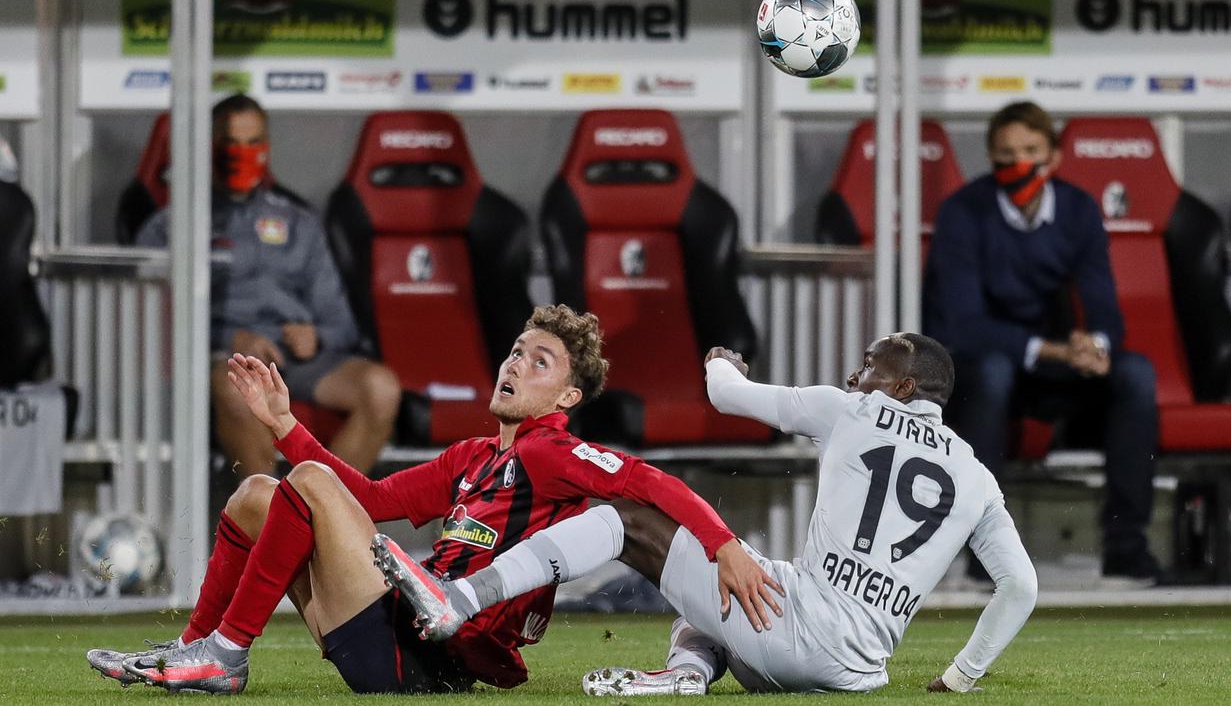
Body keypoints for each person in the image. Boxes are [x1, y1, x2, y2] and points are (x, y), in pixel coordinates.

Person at [84, 305, 781, 695]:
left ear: (566, 398)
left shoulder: (555, 451)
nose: (514, 364)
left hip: (430, 658)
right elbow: (365, 498)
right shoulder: (473, 456)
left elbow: (650, 484)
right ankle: (192, 648)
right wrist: (282, 426)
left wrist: (724, 548)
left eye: (539, 362)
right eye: (515, 349)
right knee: (256, 493)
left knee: (301, 484)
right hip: (389, 629)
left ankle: (229, 655)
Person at [379, 333, 1038, 695]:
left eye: (868, 366)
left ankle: (456, 599)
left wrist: (723, 362)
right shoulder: (977, 476)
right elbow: (1019, 587)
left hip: (791, 631)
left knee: (627, 516)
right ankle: (687, 673)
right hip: (855, 671)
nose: (852, 375)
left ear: (898, 387)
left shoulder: (854, 410)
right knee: (733, 557)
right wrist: (960, 677)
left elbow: (727, 395)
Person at [922, 100, 1163, 583]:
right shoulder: (963, 213)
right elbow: (961, 326)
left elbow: (1104, 310)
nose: (1018, 165)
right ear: (990, 159)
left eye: (1031, 151)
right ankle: (985, 555)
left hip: (1055, 367)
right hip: (983, 371)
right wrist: (1054, 349)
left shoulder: (1076, 209)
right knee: (991, 371)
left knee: (1134, 373)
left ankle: (1127, 549)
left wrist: (1095, 348)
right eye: (1005, 155)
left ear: (1053, 156)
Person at [135, 93, 400, 477]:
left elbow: (341, 323)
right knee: (239, 389)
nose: (241, 153)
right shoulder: (171, 227)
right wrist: (228, 341)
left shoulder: (299, 224)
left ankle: (314, 514)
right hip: (221, 361)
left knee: (382, 388)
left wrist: (316, 337)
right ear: (208, 148)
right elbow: (150, 324)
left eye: (251, 143)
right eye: (230, 143)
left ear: (266, 148)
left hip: (296, 363)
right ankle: (268, 524)